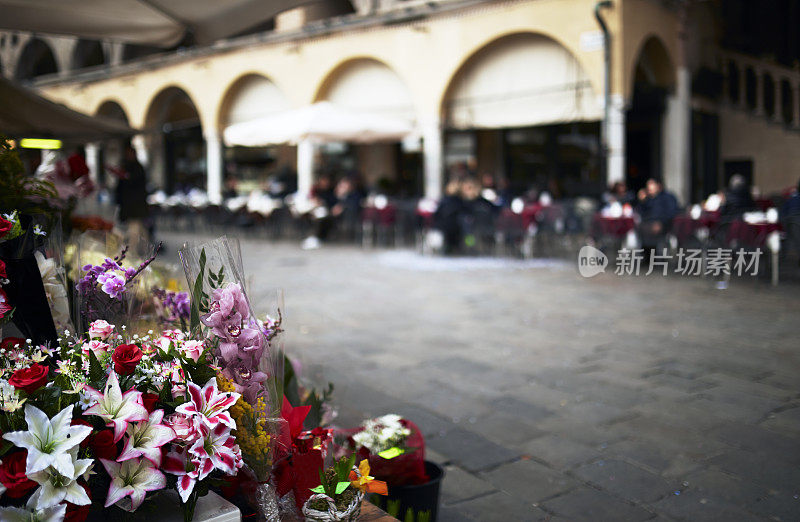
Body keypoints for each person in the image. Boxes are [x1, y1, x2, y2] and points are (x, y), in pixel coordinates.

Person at [114, 144, 149, 253]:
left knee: (135, 230)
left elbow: (136, 184)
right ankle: (145, 250)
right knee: (138, 229)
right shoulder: (126, 166)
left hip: (135, 206)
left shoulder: (138, 168)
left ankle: (132, 252)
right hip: (130, 206)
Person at [636, 178, 678, 250]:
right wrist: (642, 201)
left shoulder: (667, 197)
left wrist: (661, 222)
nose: (649, 187)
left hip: (663, 225)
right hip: (648, 224)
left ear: (658, 186)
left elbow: (671, 213)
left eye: (651, 184)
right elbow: (641, 213)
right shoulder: (648, 199)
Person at [434, 178, 464, 255]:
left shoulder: (459, 200)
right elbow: (437, 213)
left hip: (455, 225)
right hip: (447, 225)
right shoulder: (444, 200)